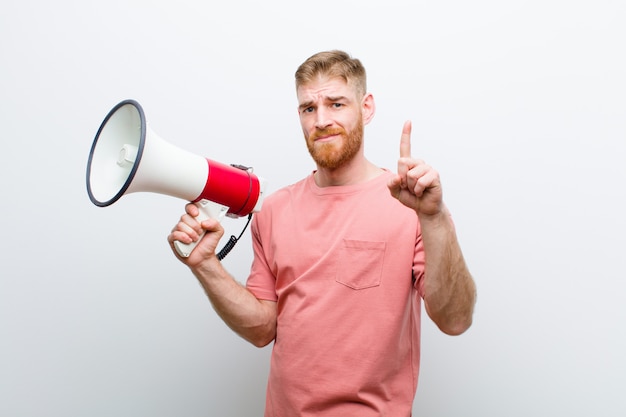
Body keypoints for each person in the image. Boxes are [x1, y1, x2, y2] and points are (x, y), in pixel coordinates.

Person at [167, 50, 477, 416]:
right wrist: (204, 264)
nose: (322, 120)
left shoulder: (413, 206)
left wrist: (435, 218)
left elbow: (455, 319)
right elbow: (262, 329)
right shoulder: (275, 209)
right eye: (309, 109)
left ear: (367, 108)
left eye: (336, 104)